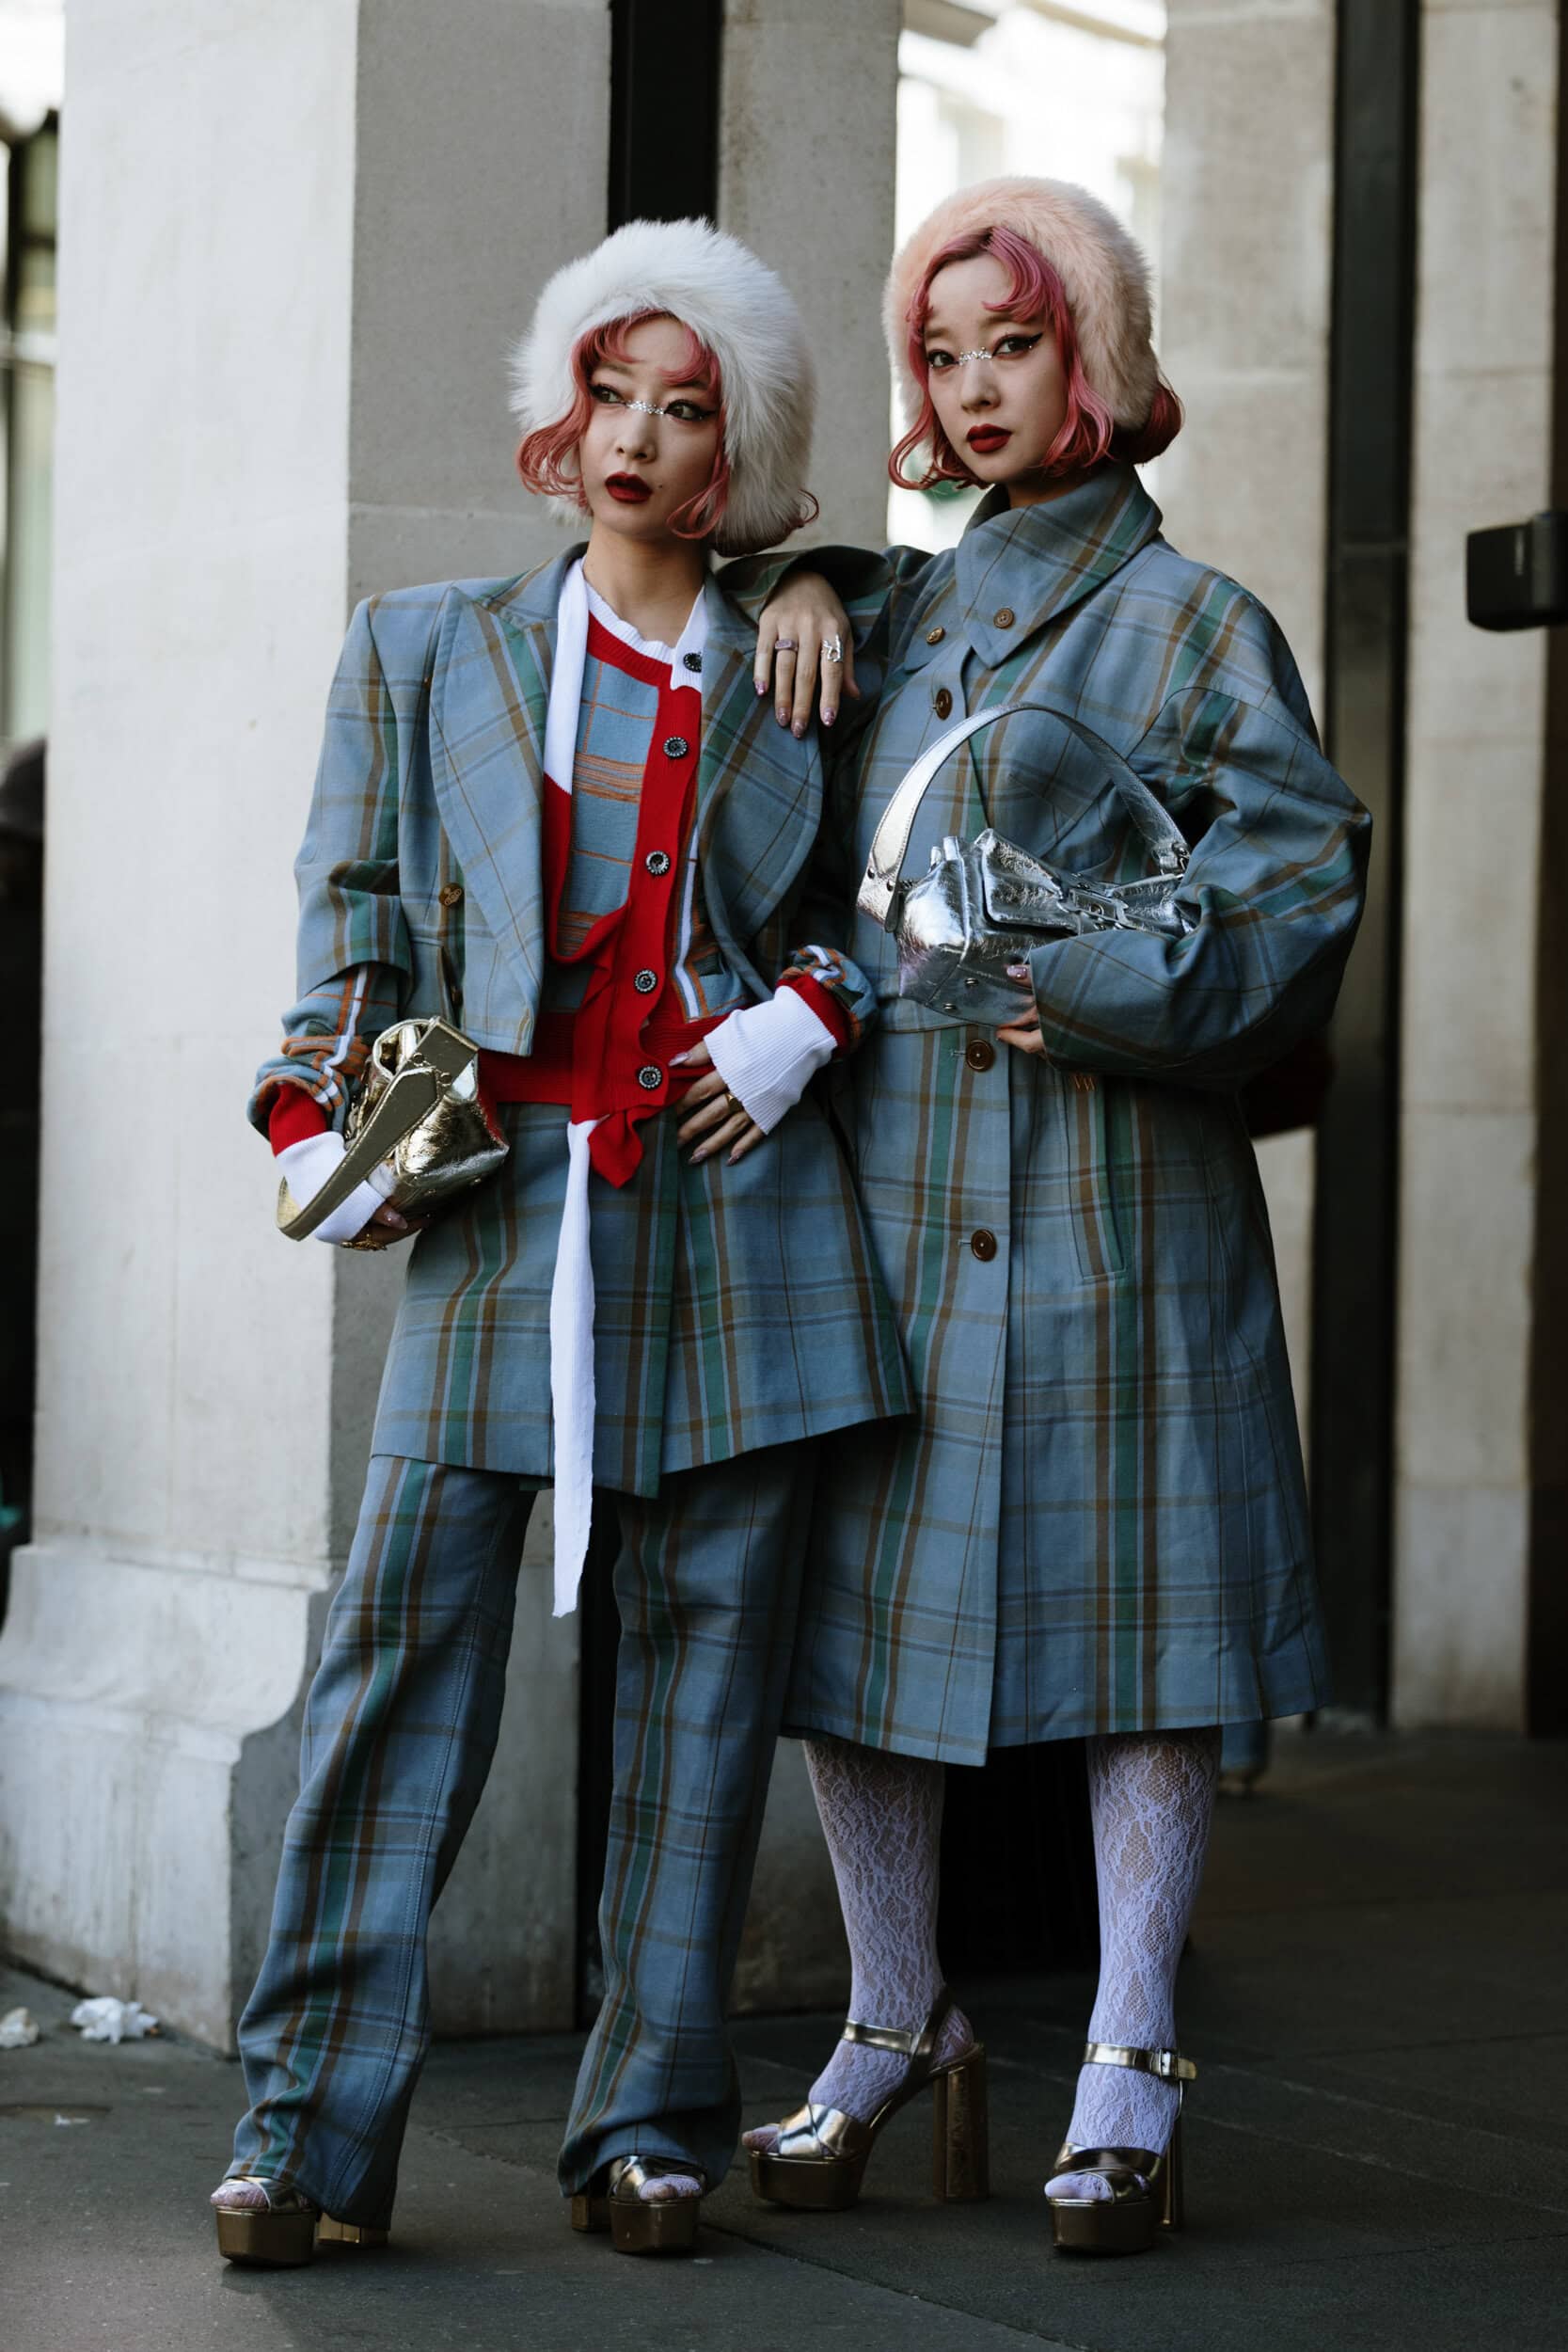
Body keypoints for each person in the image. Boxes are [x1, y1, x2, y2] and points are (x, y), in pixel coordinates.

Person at [210, 217, 909, 2268]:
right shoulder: (422, 647)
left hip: (743, 1216)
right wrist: (309, 1113)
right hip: (504, 1209)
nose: (638, 434)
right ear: (558, 417)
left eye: (689, 410)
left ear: (738, 463)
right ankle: (306, 2139)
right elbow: (349, 919)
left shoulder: (814, 655)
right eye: (611, 390)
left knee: (703, 1694)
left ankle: (653, 2125)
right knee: (390, 1670)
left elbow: (923, 828)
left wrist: (812, 1012)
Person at [733, 177, 1371, 2254]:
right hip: (897, 1196)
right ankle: (892, 2015)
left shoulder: (1200, 624)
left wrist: (1079, 979)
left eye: (1016, 343)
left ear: (1089, 355)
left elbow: (1296, 891)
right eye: (942, 353)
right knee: (862, 1628)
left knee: (1148, 1634)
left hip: (1123, 1196)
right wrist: (796, 588)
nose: (978, 387)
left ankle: (1129, 2048)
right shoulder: (890, 614)